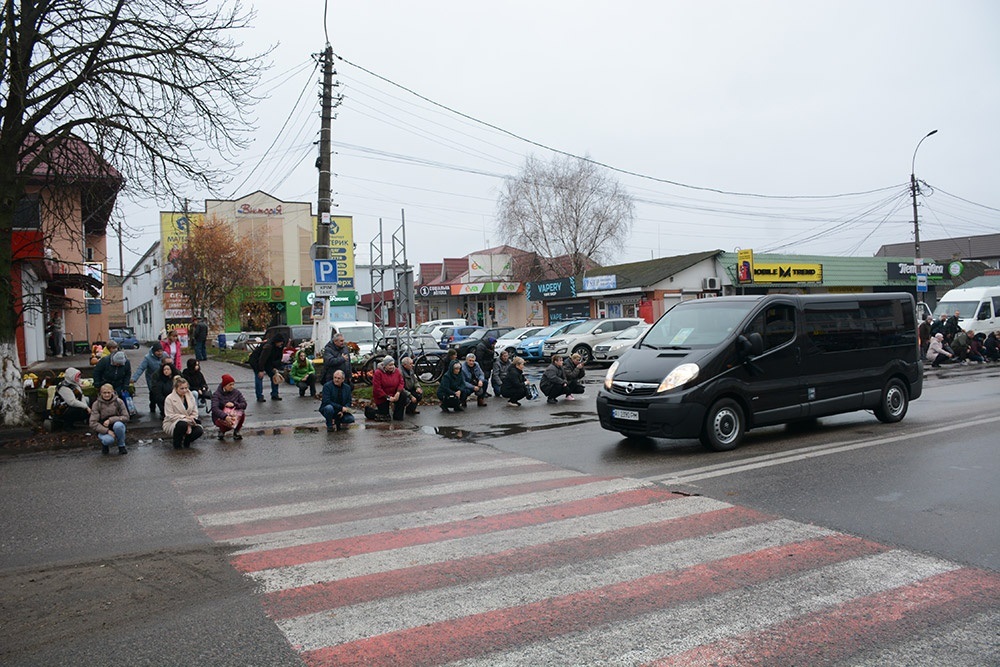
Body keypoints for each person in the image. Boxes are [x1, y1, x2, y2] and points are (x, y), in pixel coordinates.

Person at [163, 376, 204, 449]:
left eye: (186, 388)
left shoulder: (191, 396)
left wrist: (189, 422)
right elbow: (170, 415)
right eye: (182, 388)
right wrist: (185, 419)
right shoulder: (169, 399)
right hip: (172, 422)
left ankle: (186, 442)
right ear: (176, 388)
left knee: (199, 430)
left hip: (190, 421)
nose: (184, 390)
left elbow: (195, 412)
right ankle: (177, 444)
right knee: (182, 425)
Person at [89, 383, 129, 455]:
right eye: (104, 393)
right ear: (100, 393)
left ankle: (121, 446)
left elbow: (126, 417)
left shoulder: (119, 401)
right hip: (103, 428)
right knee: (108, 440)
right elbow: (93, 423)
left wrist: (110, 420)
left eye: (108, 392)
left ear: (113, 392)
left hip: (116, 424)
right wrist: (107, 431)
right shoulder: (96, 404)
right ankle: (105, 445)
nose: (106, 395)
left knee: (118, 426)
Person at [248, 334, 285, 402]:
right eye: (280, 342)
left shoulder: (280, 347)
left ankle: (275, 394)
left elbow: (278, 358)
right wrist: (260, 370)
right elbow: (262, 359)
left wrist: (275, 367)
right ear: (276, 342)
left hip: (268, 362)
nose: (281, 344)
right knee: (259, 377)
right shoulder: (268, 347)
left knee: (274, 375)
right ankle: (259, 396)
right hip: (256, 361)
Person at [132, 342, 165, 414]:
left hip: (162, 377)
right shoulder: (148, 358)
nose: (160, 353)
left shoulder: (165, 355)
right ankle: (152, 405)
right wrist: (134, 378)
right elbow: (141, 368)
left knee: (162, 393)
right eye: (157, 351)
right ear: (154, 351)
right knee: (153, 393)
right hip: (152, 378)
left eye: (161, 351)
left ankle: (162, 409)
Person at [211, 373, 247, 440]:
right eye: (230, 385)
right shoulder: (216, 394)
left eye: (233, 384)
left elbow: (244, 404)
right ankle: (222, 430)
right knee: (227, 422)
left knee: (242, 413)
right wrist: (225, 416)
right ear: (224, 385)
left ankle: (237, 431)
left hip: (235, 414)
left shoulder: (237, 392)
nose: (232, 386)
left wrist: (235, 404)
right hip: (221, 416)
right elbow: (214, 408)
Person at [372, 356, 408, 421]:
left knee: (403, 395)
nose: (392, 367)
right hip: (383, 396)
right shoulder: (378, 373)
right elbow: (377, 388)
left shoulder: (397, 371)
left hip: (394, 393)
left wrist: (398, 392)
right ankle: (369, 411)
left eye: (393, 364)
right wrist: (388, 397)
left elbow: (401, 382)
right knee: (384, 416)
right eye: (390, 365)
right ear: (385, 366)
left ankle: (398, 415)